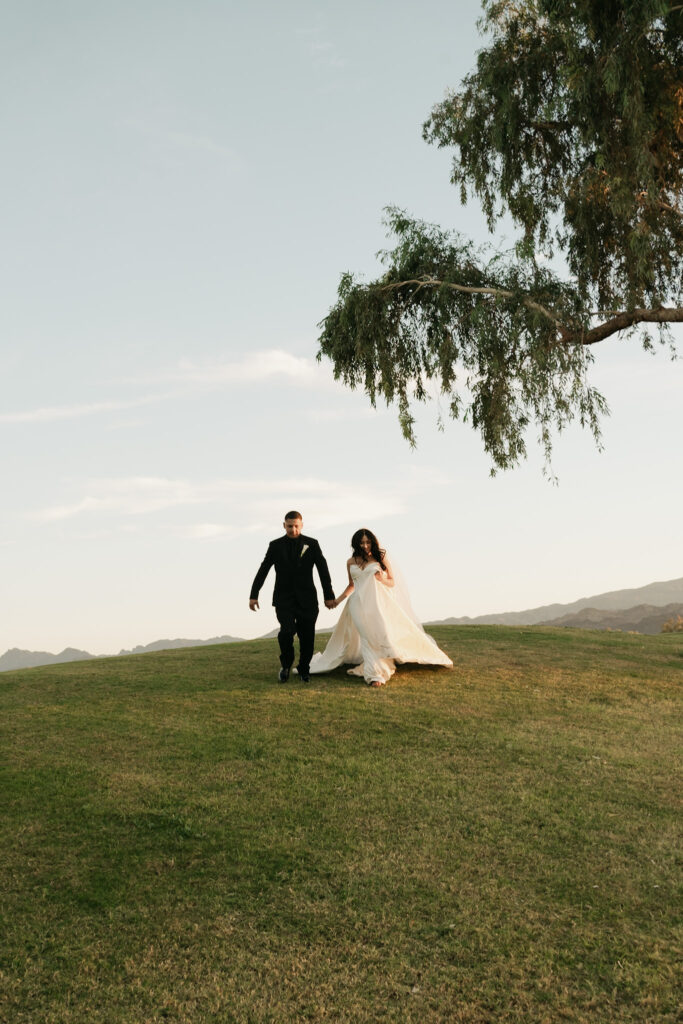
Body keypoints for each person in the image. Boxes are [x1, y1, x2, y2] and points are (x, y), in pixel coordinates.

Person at [310, 528, 453, 687]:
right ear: (356, 544)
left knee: (378, 634)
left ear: (372, 542)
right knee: (366, 636)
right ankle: (375, 675)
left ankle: (381, 665)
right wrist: (337, 601)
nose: (365, 545)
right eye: (362, 542)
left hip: (377, 602)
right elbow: (352, 585)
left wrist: (381, 579)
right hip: (357, 604)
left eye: (368, 542)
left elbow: (392, 582)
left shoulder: (380, 558)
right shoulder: (350, 562)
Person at [250, 511, 335, 682]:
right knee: (287, 631)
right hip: (284, 599)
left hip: (308, 599)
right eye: (290, 526)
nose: (293, 529)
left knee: (307, 635)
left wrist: (329, 596)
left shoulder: (312, 544)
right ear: (284, 525)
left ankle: (304, 668)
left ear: (301, 525)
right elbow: (263, 570)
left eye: (296, 526)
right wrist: (254, 595)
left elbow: (323, 571)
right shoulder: (275, 545)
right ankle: (286, 665)